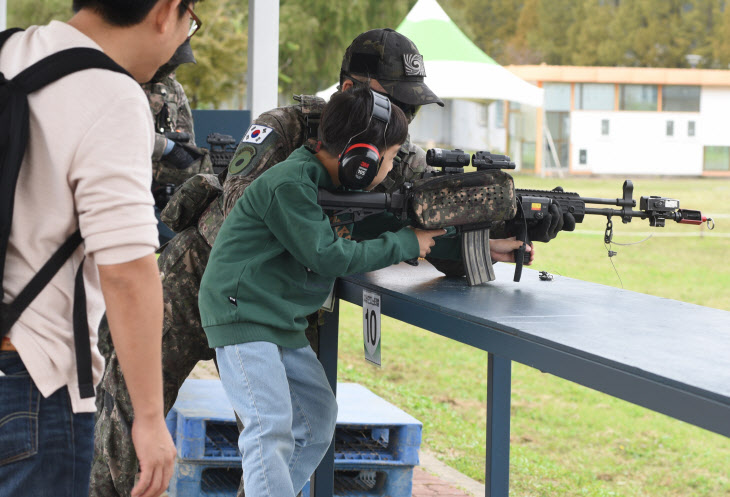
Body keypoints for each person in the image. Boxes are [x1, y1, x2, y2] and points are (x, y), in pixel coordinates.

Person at [89, 27, 538, 497]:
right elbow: (246, 214)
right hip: (201, 282)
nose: (401, 120)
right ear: (348, 90)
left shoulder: (395, 153)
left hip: (280, 301)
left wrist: (482, 243)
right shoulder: (284, 128)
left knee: (292, 432)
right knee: (125, 427)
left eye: (411, 109)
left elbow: (420, 224)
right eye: (394, 104)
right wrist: (369, 224)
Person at [199, 86, 445, 497]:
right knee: (269, 427)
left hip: (278, 318)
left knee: (316, 418)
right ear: (363, 158)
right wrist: (405, 243)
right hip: (242, 314)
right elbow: (326, 255)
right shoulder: (290, 184)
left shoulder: (325, 186)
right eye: (387, 160)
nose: (388, 172)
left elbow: (369, 229)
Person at [0, 1, 199, 496]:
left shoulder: (9, 53)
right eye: (190, 21)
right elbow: (127, 269)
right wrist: (150, 420)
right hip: (33, 383)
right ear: (166, 10)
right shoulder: (110, 94)